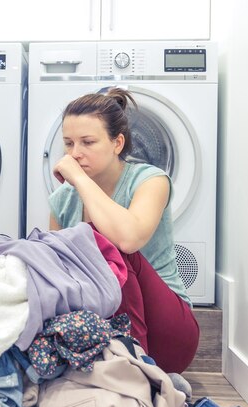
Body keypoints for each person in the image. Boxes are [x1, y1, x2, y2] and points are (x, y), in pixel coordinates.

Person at [48, 87, 199, 374]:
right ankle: (115, 371)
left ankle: (139, 373)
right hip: (103, 326)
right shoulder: (63, 201)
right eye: (68, 144)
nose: (75, 154)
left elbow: (129, 239)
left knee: (109, 245)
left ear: (117, 143)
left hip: (167, 331)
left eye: (87, 142)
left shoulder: (150, 181)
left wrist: (79, 178)